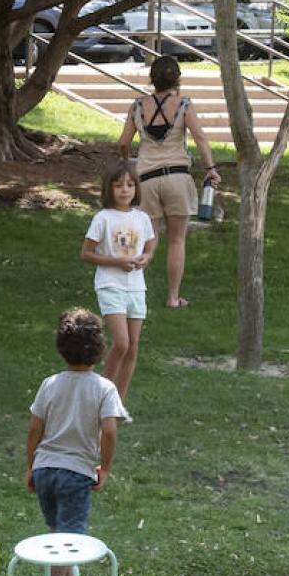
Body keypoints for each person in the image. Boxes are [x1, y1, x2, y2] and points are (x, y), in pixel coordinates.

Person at [23, 308, 127, 576]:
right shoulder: (104, 388)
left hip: (45, 471)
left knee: (58, 530)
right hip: (76, 473)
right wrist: (104, 468)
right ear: (100, 349)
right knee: (68, 539)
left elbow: (34, 431)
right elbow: (109, 431)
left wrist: (31, 467)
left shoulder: (50, 384)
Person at [116, 55, 220, 308]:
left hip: (147, 179)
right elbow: (200, 139)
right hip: (177, 177)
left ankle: (128, 294)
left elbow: (123, 142)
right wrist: (211, 168)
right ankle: (173, 297)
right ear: (177, 79)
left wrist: (128, 162)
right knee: (177, 240)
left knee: (143, 238)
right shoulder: (184, 104)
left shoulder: (138, 106)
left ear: (152, 80)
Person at [79, 159, 157, 402]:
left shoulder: (141, 218)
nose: (125, 190)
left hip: (136, 287)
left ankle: (117, 404)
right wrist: (116, 262)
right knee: (121, 343)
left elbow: (151, 241)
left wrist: (147, 256)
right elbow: (86, 253)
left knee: (133, 346)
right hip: (110, 285)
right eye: (119, 185)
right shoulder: (103, 218)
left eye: (130, 185)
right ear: (109, 189)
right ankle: (100, 395)